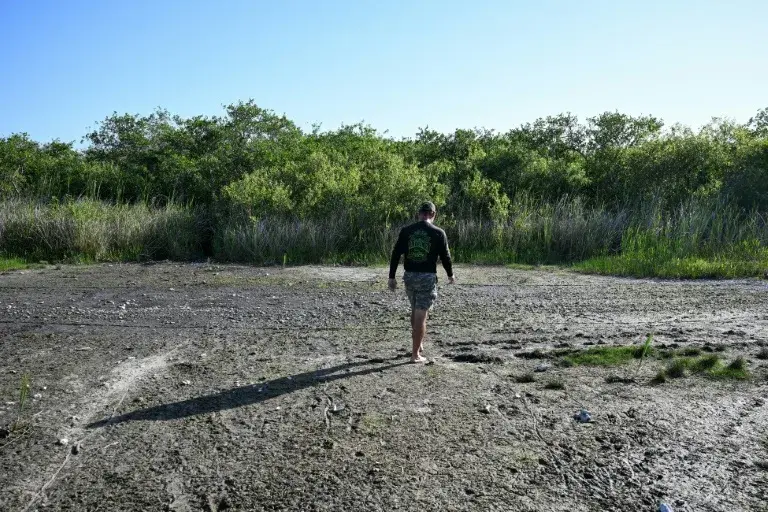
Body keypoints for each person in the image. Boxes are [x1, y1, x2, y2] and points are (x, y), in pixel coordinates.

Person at [388, 201, 455, 363]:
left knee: (415, 309)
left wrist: (391, 277)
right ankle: (415, 354)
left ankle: (418, 343)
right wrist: (450, 274)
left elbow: (396, 254)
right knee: (421, 314)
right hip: (427, 277)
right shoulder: (439, 233)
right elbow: (446, 257)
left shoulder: (406, 231)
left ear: (419, 214)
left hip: (409, 276)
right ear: (433, 214)